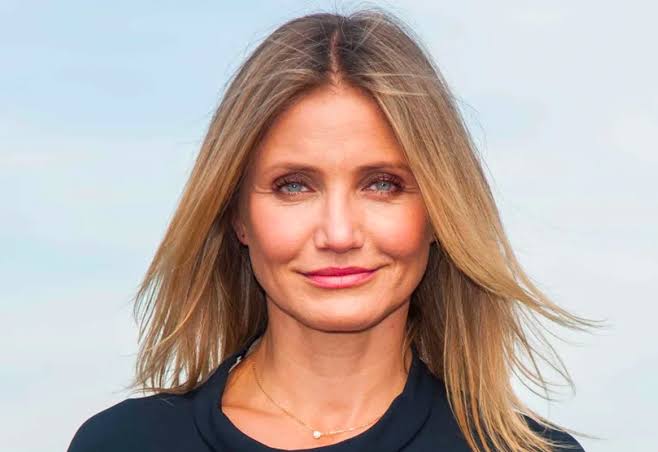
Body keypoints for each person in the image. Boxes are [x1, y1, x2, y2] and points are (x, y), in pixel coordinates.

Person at [67, 7, 602, 452]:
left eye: (383, 184)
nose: (339, 233)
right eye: (294, 186)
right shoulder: (122, 443)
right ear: (237, 215)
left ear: (441, 211)